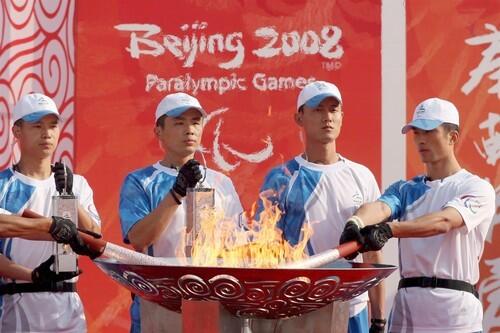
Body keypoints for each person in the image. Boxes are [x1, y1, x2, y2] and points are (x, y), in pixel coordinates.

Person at [339, 97, 495, 333]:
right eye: (416, 133)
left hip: (455, 312)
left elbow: (444, 221)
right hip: (408, 310)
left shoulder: (475, 188)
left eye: (430, 132)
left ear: (452, 137)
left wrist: (389, 230)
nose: (421, 140)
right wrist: (356, 222)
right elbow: (380, 208)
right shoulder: (405, 189)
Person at [257, 81, 386, 333]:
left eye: (333, 110)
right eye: (318, 110)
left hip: (352, 308)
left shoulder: (361, 176)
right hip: (299, 308)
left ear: (342, 117)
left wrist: (379, 320)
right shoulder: (283, 178)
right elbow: (266, 253)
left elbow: (373, 253)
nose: (327, 117)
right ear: (299, 117)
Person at [119, 92, 243, 333]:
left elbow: (237, 244)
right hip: (159, 303)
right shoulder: (140, 181)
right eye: (179, 123)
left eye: (195, 122)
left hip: (212, 302)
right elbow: (139, 239)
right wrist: (176, 193)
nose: (189, 130)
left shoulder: (222, 183)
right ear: (158, 131)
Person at [0, 93, 102, 332]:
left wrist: (68, 195)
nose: (46, 133)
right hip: (17, 306)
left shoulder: (77, 184)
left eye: (53, 125)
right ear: (17, 131)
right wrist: (33, 275)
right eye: (37, 126)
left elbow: (94, 239)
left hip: (68, 308)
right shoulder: (4, 185)